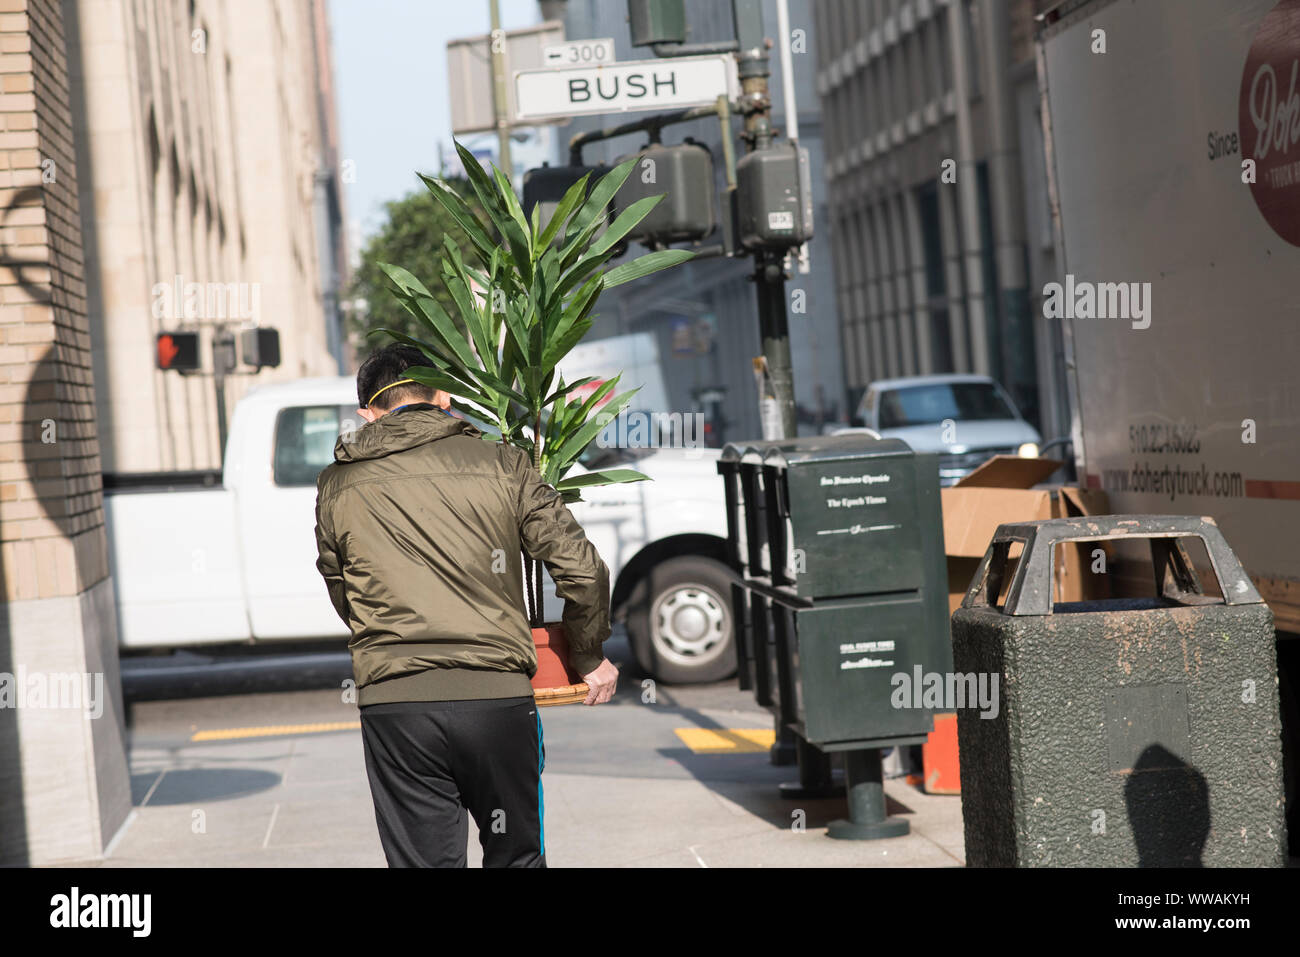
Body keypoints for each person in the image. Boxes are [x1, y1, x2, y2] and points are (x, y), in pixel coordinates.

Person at [314, 344, 619, 868]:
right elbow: (582, 569)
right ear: (445, 397)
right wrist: (588, 657)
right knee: (516, 858)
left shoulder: (339, 482)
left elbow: (343, 588)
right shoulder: (504, 463)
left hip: (397, 705)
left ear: (367, 412)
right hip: (497, 701)